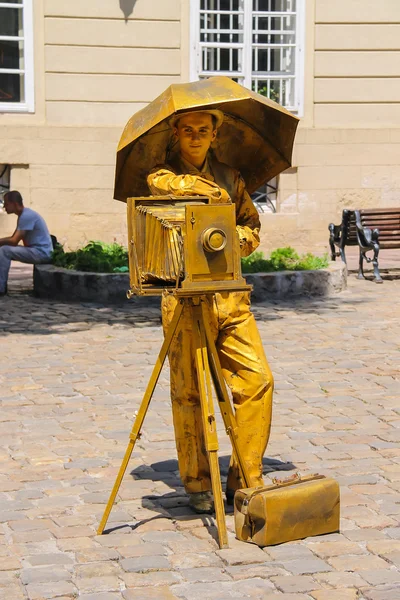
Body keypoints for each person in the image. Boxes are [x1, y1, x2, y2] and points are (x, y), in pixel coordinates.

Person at [147, 110, 274, 514]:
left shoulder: (232, 178)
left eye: (204, 130)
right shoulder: (162, 178)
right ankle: (199, 481)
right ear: (176, 133)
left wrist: (231, 237)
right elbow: (161, 189)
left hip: (230, 296)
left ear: (215, 135)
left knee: (258, 381)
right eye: (189, 130)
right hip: (185, 301)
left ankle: (245, 475)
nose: (196, 137)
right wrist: (205, 193)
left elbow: (251, 227)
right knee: (190, 393)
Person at [0, 190, 53, 296]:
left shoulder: (26, 216)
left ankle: (1, 288)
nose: (4, 207)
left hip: (41, 253)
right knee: (4, 248)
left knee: (4, 251)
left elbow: (14, 241)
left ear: (14, 204)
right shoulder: (24, 215)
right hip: (36, 250)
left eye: (6, 204)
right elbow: (12, 239)